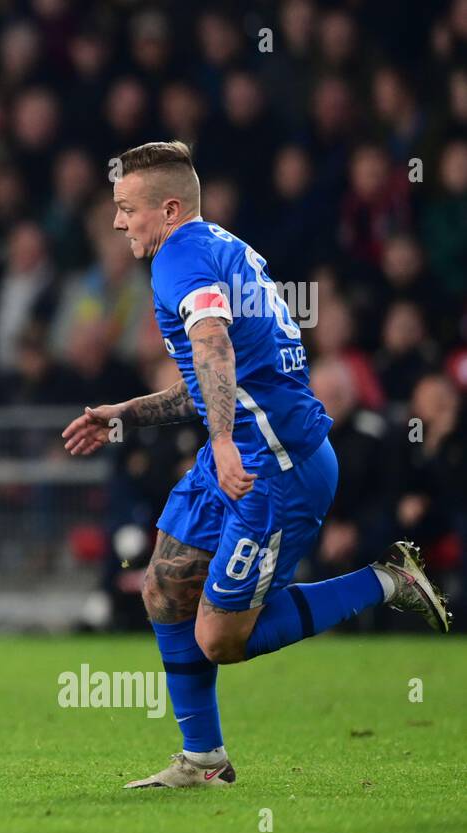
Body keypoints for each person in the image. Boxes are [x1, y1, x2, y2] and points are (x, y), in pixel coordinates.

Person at [61, 141, 451, 789]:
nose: (117, 222)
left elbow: (213, 347)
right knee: (162, 590)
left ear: (170, 207)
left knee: (220, 638)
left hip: (274, 468)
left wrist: (218, 441)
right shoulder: (219, 247)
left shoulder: (179, 259)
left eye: (127, 208)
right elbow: (208, 377)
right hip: (244, 451)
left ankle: (389, 581)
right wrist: (124, 413)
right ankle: (203, 761)